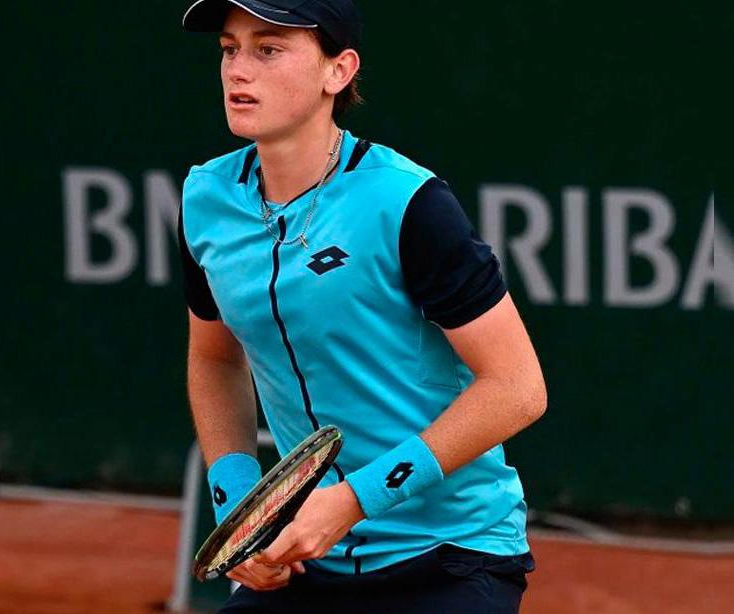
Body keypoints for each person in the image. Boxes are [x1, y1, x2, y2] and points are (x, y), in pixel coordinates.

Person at [178, 1, 547, 611]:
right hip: (306, 559)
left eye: (268, 49)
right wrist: (241, 506)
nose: (239, 69)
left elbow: (518, 387)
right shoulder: (206, 199)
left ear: (338, 71)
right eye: (229, 49)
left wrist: (353, 500)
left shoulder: (407, 202)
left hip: (448, 554)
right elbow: (215, 359)